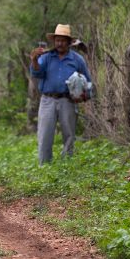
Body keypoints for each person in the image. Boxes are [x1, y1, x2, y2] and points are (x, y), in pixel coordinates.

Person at [30, 23, 93, 165]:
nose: (60, 43)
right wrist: (34, 60)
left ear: (69, 42)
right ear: (54, 41)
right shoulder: (46, 57)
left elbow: (88, 81)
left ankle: (66, 165)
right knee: (45, 134)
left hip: (68, 100)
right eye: (57, 40)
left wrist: (86, 95)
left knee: (69, 134)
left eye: (63, 40)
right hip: (48, 99)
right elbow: (37, 73)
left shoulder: (77, 59)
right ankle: (44, 165)